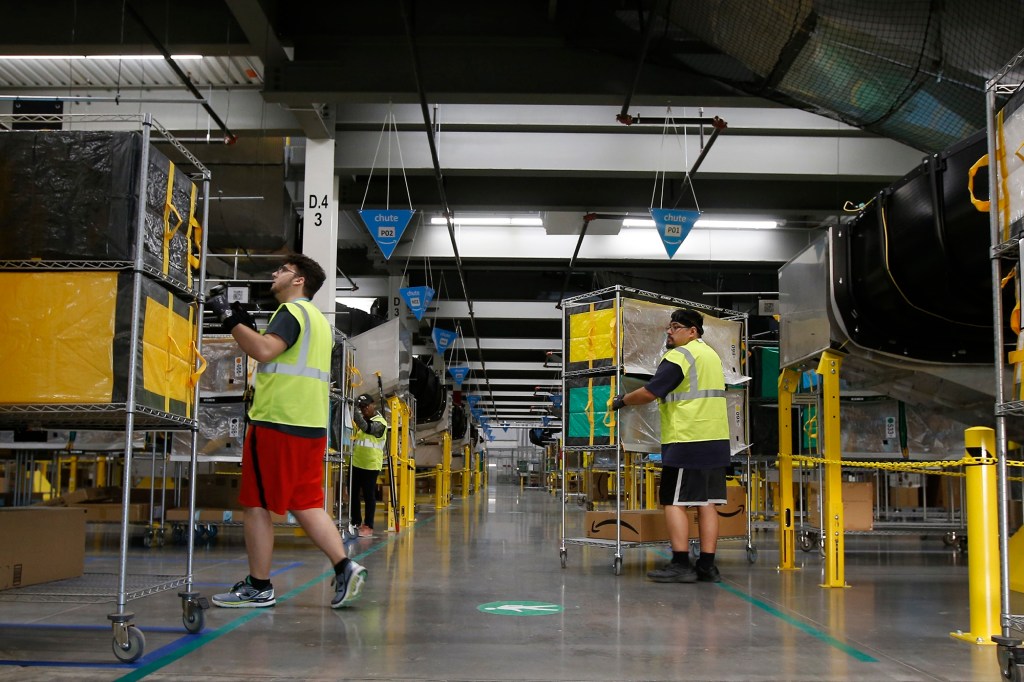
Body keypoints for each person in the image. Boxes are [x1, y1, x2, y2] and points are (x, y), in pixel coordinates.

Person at [207, 254, 367, 608]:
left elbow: (264, 351)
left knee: (257, 504)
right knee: (306, 502)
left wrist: (228, 318)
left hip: (277, 422)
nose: (275, 273)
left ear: (298, 281)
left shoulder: (292, 313)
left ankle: (259, 586)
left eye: (283, 270)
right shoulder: (318, 322)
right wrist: (246, 327)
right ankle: (344, 566)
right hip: (309, 424)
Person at [611, 308, 730, 583]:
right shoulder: (711, 355)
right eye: (669, 326)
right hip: (715, 439)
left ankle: (680, 563)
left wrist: (623, 400)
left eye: (675, 327)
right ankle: (707, 566)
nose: (669, 331)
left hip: (688, 439)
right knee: (707, 503)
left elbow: (652, 392)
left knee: (673, 501)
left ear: (692, 332)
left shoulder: (680, 355)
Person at [350, 393, 387, 537]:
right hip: (356, 464)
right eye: (361, 407)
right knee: (353, 494)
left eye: (366, 406)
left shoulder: (380, 423)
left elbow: (367, 428)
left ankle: (368, 525)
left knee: (368, 496)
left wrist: (353, 408)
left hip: (371, 466)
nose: (364, 409)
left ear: (373, 405)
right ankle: (355, 522)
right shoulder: (360, 424)